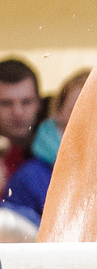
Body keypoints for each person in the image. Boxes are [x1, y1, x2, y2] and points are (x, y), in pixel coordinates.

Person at [3, 69, 90, 224]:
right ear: (57, 111)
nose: (18, 112)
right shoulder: (29, 177)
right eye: (76, 108)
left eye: (26, 102)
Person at [0, 58, 43, 189]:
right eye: (6, 103)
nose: (17, 112)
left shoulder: (59, 148)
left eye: (26, 102)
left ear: (39, 104)